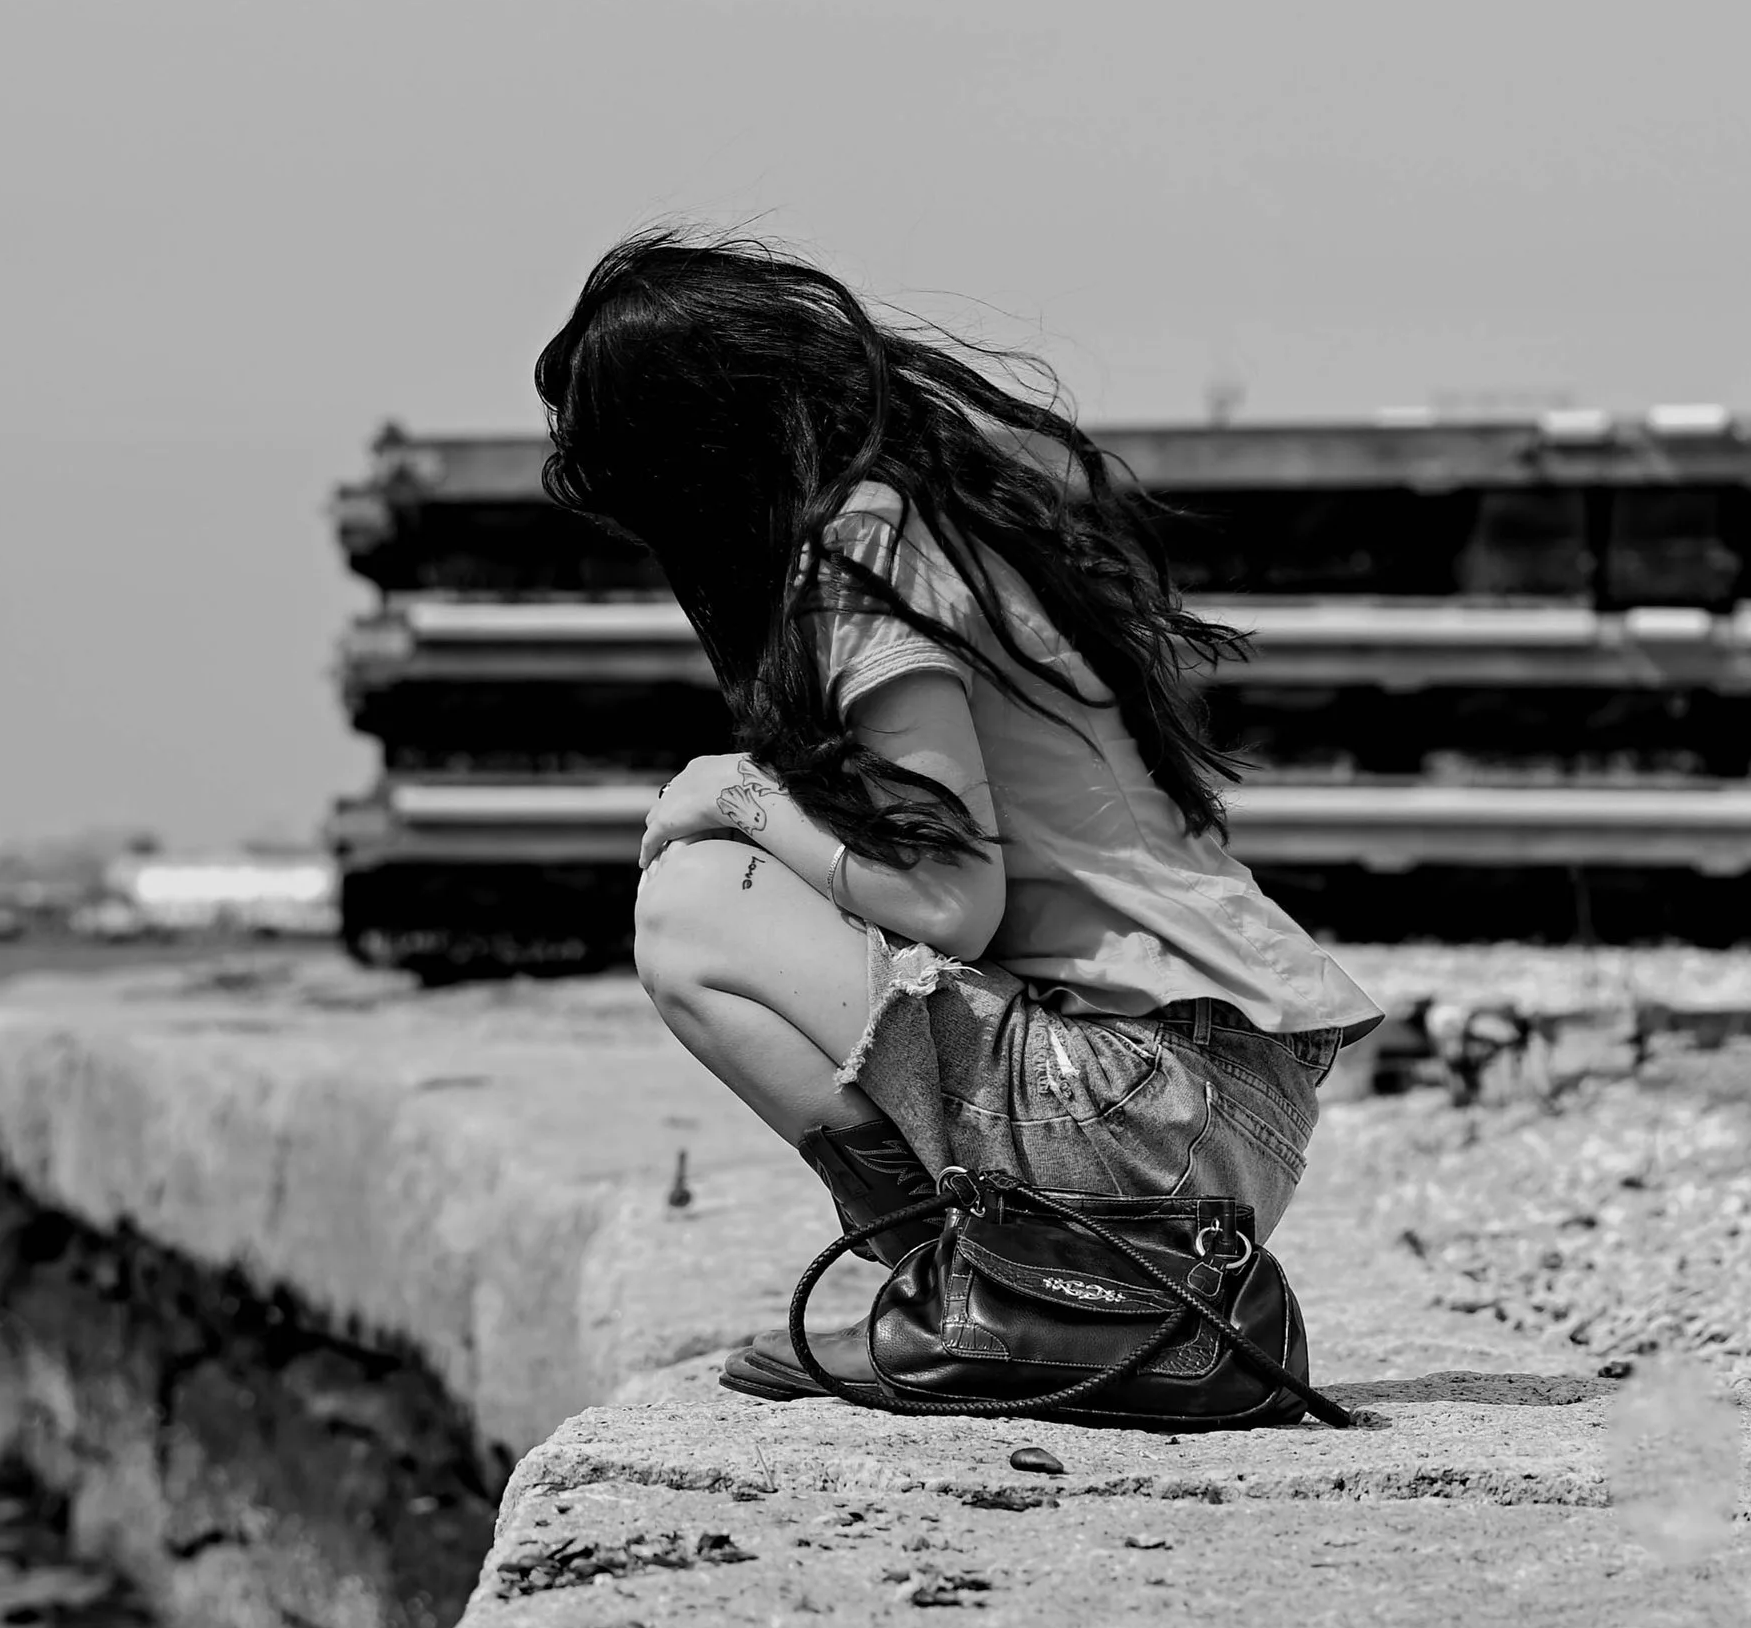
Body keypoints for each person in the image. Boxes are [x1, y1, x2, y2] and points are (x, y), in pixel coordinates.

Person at [533, 229, 1380, 1405]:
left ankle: (984, 1299)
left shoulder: (862, 543)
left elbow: (949, 900)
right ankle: (1028, 1297)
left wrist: (728, 793)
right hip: (1205, 1106)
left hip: (1155, 1109)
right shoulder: (934, 517)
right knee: (735, 880)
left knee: (689, 910)